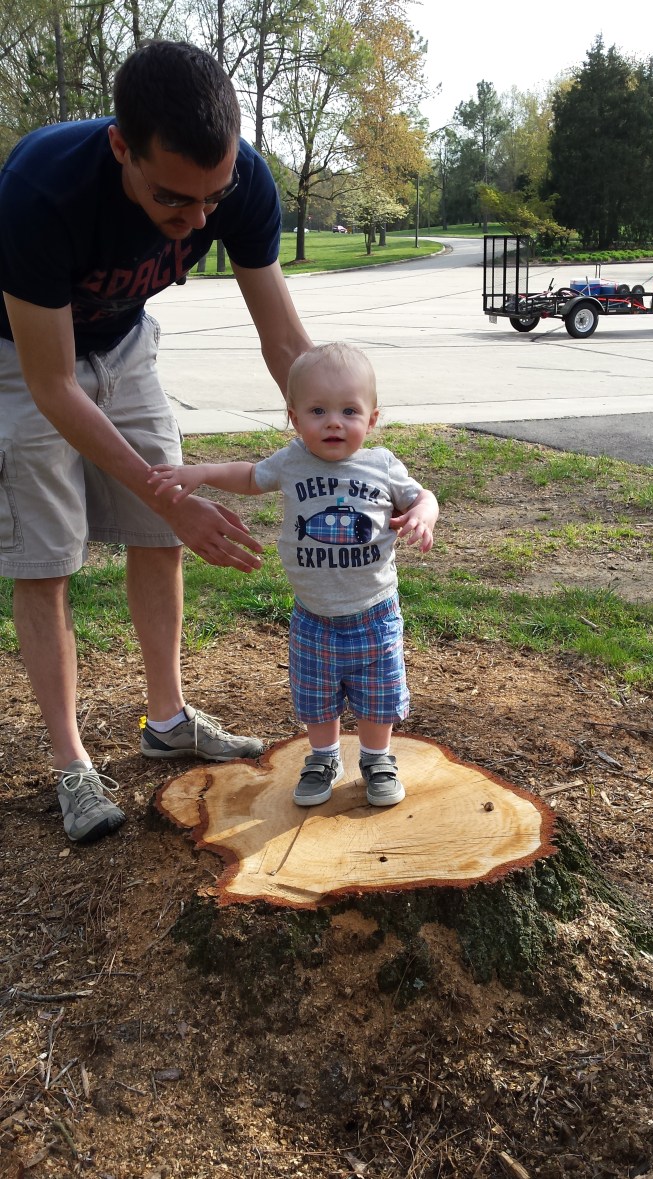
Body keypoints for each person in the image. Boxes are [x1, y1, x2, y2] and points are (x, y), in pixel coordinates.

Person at [0, 40, 313, 843]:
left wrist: (330, 436)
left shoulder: (239, 178)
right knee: (45, 557)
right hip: (20, 357)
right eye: (176, 199)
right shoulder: (41, 189)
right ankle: (72, 761)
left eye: (215, 197)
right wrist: (172, 497)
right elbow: (53, 385)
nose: (198, 219)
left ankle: (166, 716)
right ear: (120, 147)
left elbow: (282, 339)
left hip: (126, 343)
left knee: (158, 537)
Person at [147, 342, 439, 807]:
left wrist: (424, 512)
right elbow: (247, 477)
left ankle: (376, 757)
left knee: (379, 694)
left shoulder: (382, 464)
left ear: (373, 418)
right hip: (313, 616)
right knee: (316, 696)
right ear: (294, 417)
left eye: (349, 410)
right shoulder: (291, 461)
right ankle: (323, 756)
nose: (334, 422)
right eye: (318, 410)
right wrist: (200, 472)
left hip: (374, 613)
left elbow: (422, 495)